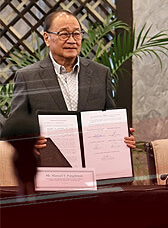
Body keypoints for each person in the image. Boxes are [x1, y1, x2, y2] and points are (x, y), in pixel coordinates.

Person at [8, 10, 135, 151]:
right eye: (64, 34)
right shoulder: (27, 77)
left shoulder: (100, 73)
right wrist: (29, 144)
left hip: (95, 163)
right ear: (46, 38)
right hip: (50, 165)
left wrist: (122, 137)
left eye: (76, 34)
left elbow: (110, 121)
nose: (72, 40)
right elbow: (14, 131)